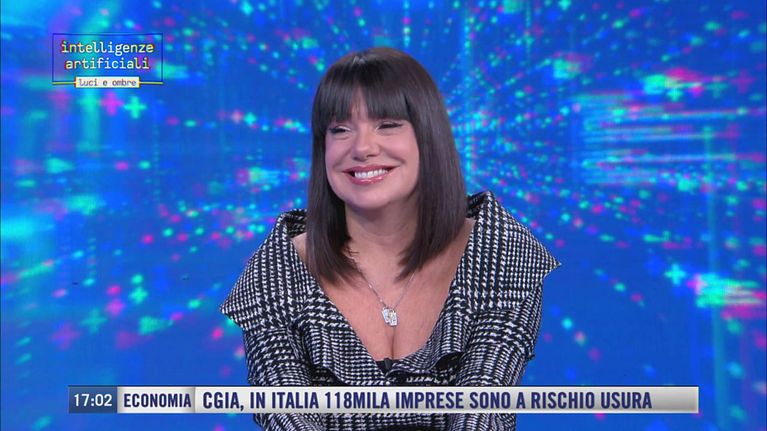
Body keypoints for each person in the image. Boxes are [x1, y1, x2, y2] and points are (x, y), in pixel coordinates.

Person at [221, 46, 560, 430]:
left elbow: (482, 413)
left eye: (387, 124)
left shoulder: (500, 252)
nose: (362, 148)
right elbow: (285, 414)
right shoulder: (278, 268)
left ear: (428, 136)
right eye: (340, 129)